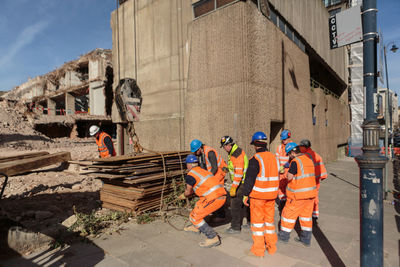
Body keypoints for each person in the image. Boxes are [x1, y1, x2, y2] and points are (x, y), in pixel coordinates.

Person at [241, 131, 280, 257]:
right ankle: (272, 247)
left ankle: (258, 250)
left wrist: (245, 194)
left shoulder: (255, 159)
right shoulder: (274, 158)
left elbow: (249, 180)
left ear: (255, 145)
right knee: (269, 222)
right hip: (272, 196)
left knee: (257, 224)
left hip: (258, 197)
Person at [179, 155, 226, 248]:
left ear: (188, 165)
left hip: (215, 198)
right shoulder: (202, 171)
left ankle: (212, 237)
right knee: (197, 206)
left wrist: (184, 195)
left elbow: (188, 192)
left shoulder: (190, 175)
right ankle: (196, 227)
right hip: (218, 195)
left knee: (195, 217)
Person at [278, 142, 317, 247]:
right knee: (306, 218)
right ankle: (306, 239)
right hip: (310, 195)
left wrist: (284, 173)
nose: (289, 156)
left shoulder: (295, 161)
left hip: (297, 195)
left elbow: (290, 177)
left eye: (288, 154)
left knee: (288, 215)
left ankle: (283, 237)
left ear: (292, 153)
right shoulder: (308, 159)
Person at [220, 136, 250, 234]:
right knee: (242, 203)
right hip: (241, 181)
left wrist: (234, 187)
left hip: (241, 182)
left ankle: (235, 227)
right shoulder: (233, 152)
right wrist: (227, 169)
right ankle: (249, 222)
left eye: (224, 146)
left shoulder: (236, 154)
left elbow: (239, 173)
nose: (224, 149)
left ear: (228, 145)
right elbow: (234, 167)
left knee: (234, 205)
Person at [299, 139, 328, 220]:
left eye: (301, 147)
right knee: (315, 197)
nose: (300, 148)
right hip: (316, 181)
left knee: (306, 198)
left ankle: (306, 214)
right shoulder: (316, 155)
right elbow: (322, 170)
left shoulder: (305, 156)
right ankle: (315, 214)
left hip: (308, 181)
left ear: (304, 147)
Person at [275, 129, 292, 208]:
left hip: (289, 172)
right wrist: (278, 167)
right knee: (281, 189)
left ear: (289, 138)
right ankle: (282, 204)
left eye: (284, 139)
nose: (283, 141)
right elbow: (277, 159)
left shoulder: (293, 146)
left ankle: (289, 203)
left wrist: (287, 165)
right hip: (281, 173)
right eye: (282, 140)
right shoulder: (279, 148)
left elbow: (294, 159)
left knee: (289, 189)